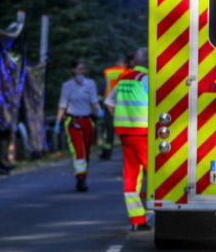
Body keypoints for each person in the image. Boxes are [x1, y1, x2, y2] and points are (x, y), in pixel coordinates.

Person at [105, 48, 150, 230]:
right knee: (155, 173)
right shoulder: (147, 79)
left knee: (131, 175)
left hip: (125, 134)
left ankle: (137, 220)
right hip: (142, 133)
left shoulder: (123, 79)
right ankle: (162, 212)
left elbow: (108, 103)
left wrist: (122, 116)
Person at [55, 60, 103, 192]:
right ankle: (80, 178)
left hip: (87, 120)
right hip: (73, 121)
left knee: (86, 151)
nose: (82, 72)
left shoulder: (90, 84)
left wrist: (99, 110)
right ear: (73, 70)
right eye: (79, 69)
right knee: (78, 151)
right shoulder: (67, 86)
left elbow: (94, 101)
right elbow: (62, 105)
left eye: (84, 69)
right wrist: (58, 122)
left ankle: (83, 175)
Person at [99, 56, 127, 160]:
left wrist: (101, 102)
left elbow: (102, 88)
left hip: (109, 104)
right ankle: (126, 153)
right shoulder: (127, 71)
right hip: (123, 105)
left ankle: (106, 153)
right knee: (124, 129)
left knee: (109, 130)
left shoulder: (108, 72)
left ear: (116, 62)